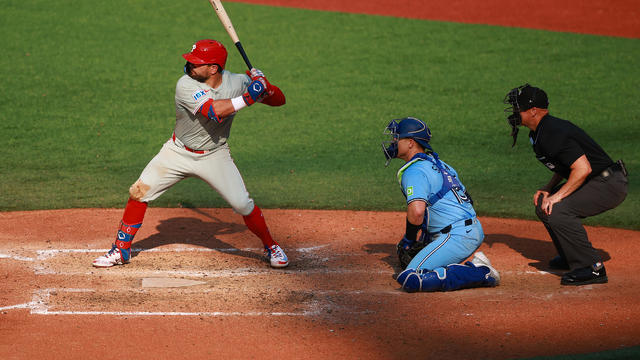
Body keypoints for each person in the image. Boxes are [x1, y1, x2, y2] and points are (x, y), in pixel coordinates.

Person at [93, 39, 289, 269]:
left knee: (243, 204)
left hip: (215, 155)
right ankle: (120, 250)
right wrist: (249, 96)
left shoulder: (238, 82)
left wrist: (265, 86)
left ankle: (271, 246)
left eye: (197, 63)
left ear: (214, 68)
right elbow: (214, 111)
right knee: (139, 191)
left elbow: (279, 101)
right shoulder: (185, 85)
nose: (190, 66)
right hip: (177, 152)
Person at [504, 84, 628, 285]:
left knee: (557, 208)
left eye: (518, 108)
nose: (514, 112)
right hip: (597, 180)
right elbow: (565, 166)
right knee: (545, 202)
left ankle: (591, 267)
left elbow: (583, 169)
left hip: (608, 183)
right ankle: (571, 255)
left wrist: (558, 195)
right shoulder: (539, 132)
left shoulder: (552, 131)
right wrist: (548, 188)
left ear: (533, 111)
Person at [381, 117, 500, 292]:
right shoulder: (439, 164)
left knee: (412, 278)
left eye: (397, 138)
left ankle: (481, 272)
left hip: (457, 236)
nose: (393, 141)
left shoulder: (414, 170)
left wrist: (409, 239)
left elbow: (417, 211)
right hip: (467, 230)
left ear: (411, 143)